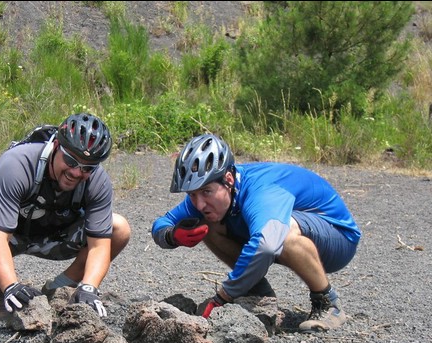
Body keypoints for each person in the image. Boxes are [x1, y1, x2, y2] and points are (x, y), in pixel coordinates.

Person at [151, 134, 361, 332]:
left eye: (206, 192)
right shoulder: (209, 193)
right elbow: (161, 223)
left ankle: (327, 303)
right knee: (208, 221)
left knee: (280, 232)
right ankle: (257, 294)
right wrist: (171, 235)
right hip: (286, 234)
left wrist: (223, 297)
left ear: (229, 179)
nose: (199, 202)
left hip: (338, 238)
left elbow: (267, 245)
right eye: (192, 194)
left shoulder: (261, 191)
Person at [0, 113, 131, 319]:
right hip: (10, 233)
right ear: (55, 147)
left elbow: (99, 246)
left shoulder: (98, 181)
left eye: (87, 168)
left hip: (57, 236)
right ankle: (1, 291)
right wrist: (10, 286)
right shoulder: (17, 164)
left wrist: (89, 288)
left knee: (118, 228)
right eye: (71, 161)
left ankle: (59, 290)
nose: (76, 172)